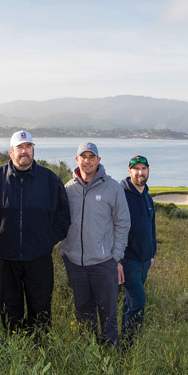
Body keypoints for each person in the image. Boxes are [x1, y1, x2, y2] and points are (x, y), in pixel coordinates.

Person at [0, 130, 70, 336]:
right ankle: (14, 347)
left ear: (33, 150)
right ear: (10, 152)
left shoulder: (50, 180)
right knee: (9, 306)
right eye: (20, 148)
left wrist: (48, 241)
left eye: (28, 147)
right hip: (3, 257)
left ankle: (39, 346)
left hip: (38, 257)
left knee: (40, 306)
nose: (24, 152)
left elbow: (63, 216)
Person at [61, 142, 130, 346]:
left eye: (92, 157)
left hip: (103, 262)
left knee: (108, 312)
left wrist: (115, 256)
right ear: (77, 160)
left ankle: (110, 354)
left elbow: (123, 223)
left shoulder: (113, 188)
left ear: (99, 160)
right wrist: (65, 250)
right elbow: (62, 220)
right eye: (84, 156)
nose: (88, 160)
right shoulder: (68, 188)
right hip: (75, 263)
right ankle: (88, 353)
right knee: (83, 311)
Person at [119, 155, 156, 345]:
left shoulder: (147, 196)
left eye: (143, 168)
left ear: (148, 170)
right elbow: (113, 226)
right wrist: (117, 259)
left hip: (144, 260)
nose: (140, 172)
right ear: (129, 171)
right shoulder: (121, 194)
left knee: (130, 302)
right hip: (128, 259)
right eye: (136, 169)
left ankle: (125, 337)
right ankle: (129, 345)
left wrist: (152, 254)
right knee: (139, 303)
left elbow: (151, 227)